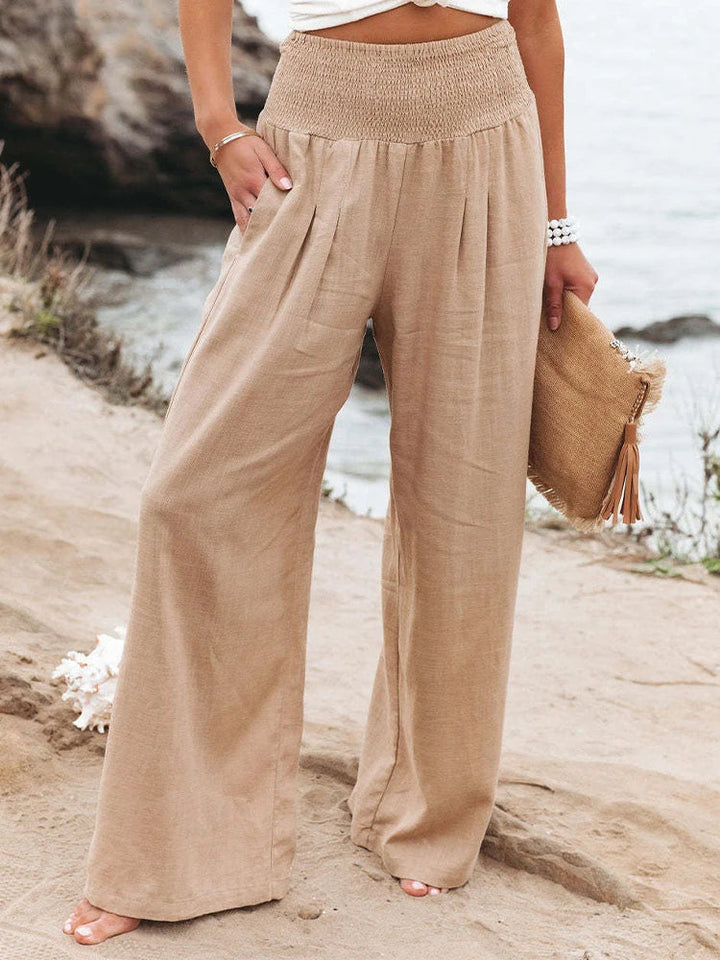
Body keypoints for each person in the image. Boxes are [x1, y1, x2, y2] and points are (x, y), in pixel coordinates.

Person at [63, 0, 598, 945]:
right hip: (317, 136)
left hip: (485, 134)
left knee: (464, 504)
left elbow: (538, 21)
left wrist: (557, 229)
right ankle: (179, 845)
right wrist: (218, 124)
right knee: (195, 493)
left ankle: (424, 818)